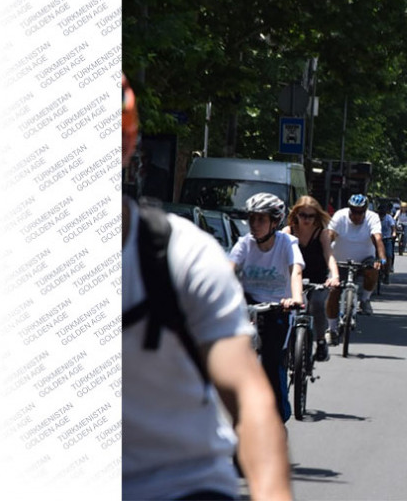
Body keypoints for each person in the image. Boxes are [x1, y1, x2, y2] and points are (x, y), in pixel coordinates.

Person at [122, 77, 291, 500]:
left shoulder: (181, 255)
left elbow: (247, 397)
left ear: (126, 149)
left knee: (271, 361)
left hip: (178, 485)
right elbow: (234, 266)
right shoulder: (239, 245)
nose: (254, 226)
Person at [229, 193, 305, 423]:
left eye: (261, 219)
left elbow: (296, 271)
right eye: (252, 219)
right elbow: (227, 269)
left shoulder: (286, 243)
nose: (255, 225)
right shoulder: (245, 244)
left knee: (272, 362)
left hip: (278, 307)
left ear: (275, 222)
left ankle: (279, 418)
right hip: (247, 302)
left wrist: (295, 298)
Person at [283, 196, 340, 362]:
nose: (306, 219)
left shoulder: (321, 233)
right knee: (288, 308)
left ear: (316, 217)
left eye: (310, 216)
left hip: (317, 279)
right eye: (303, 215)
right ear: (296, 215)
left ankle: (321, 341)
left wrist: (334, 276)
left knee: (316, 304)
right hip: (293, 280)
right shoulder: (288, 232)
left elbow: (329, 256)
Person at [327, 194, 385, 328]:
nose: (357, 216)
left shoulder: (372, 217)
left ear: (365, 211)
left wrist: (381, 259)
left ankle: (365, 299)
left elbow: (377, 239)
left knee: (373, 270)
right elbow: (329, 236)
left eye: (360, 212)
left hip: (365, 259)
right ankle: (331, 327)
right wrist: (324, 256)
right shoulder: (339, 216)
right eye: (353, 211)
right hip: (339, 260)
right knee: (333, 291)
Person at [380, 206, 397, 274]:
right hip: (378, 239)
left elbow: (393, 227)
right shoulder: (375, 218)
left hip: (387, 239)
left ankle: (387, 271)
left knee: (389, 255)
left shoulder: (389, 218)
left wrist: (394, 233)